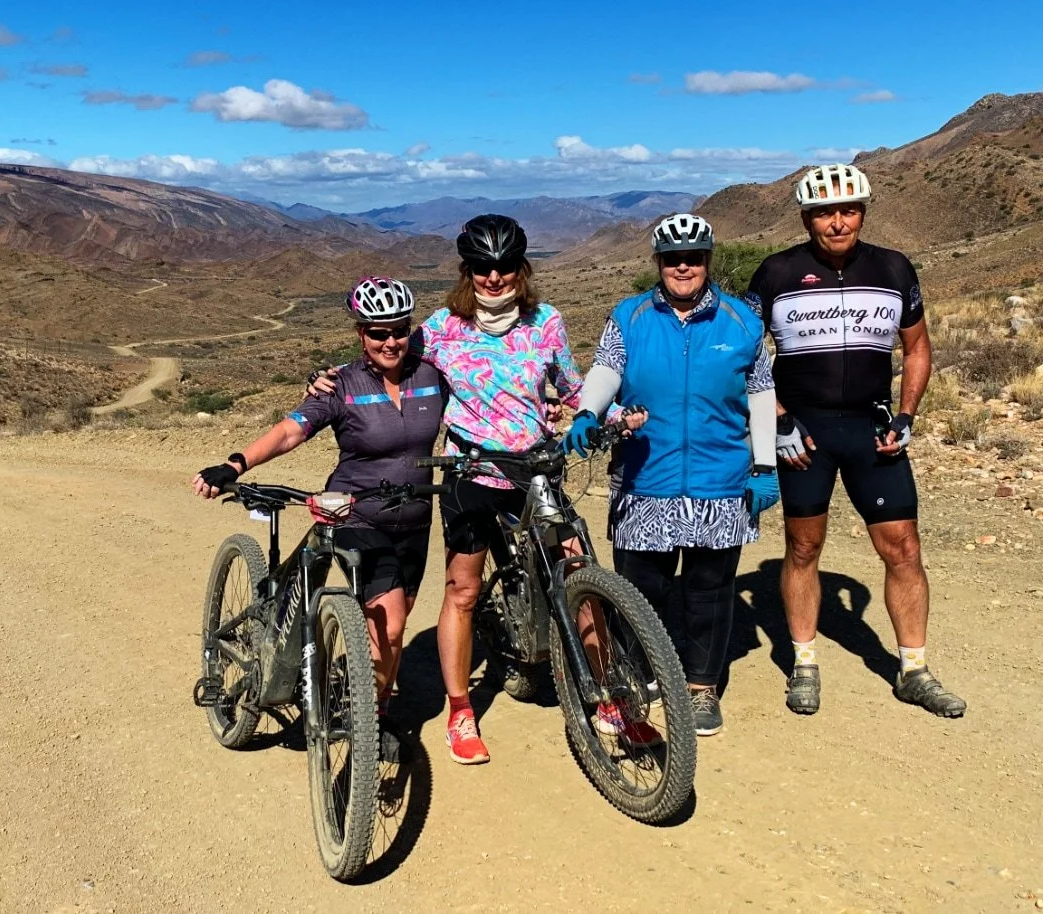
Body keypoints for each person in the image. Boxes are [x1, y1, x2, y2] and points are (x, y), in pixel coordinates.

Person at [311, 215, 644, 763]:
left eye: (505, 267)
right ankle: (460, 711)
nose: (495, 278)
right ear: (468, 271)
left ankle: (606, 697)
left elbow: (569, 386)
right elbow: (386, 358)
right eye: (483, 268)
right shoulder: (442, 328)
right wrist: (328, 380)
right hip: (472, 475)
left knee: (580, 569)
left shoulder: (547, 322)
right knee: (463, 591)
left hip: (537, 469)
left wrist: (600, 411)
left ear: (521, 269)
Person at [743, 163, 965, 717]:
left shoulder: (893, 267)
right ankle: (804, 662)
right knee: (802, 548)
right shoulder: (776, 271)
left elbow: (917, 347)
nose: (837, 223)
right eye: (824, 212)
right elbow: (744, 354)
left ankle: (914, 670)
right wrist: (777, 419)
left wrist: (908, 414)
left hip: (873, 428)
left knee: (903, 548)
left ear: (863, 212)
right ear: (806, 217)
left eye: (847, 210)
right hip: (803, 433)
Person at [194, 277, 446, 759]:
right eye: (378, 332)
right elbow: (291, 432)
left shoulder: (433, 376)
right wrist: (235, 464)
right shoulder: (341, 384)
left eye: (399, 329)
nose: (390, 341)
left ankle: (377, 705)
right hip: (355, 513)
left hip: (416, 518)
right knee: (388, 625)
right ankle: (370, 725)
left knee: (394, 628)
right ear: (360, 335)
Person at [565, 213, 779, 737]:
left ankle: (702, 688)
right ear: (658, 263)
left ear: (708, 260)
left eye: (694, 257)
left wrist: (767, 465)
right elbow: (608, 369)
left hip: (720, 481)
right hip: (645, 480)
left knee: (710, 591)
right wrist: (589, 410)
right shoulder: (631, 316)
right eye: (672, 259)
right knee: (642, 590)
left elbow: (761, 397)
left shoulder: (742, 321)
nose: (684, 267)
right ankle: (637, 677)